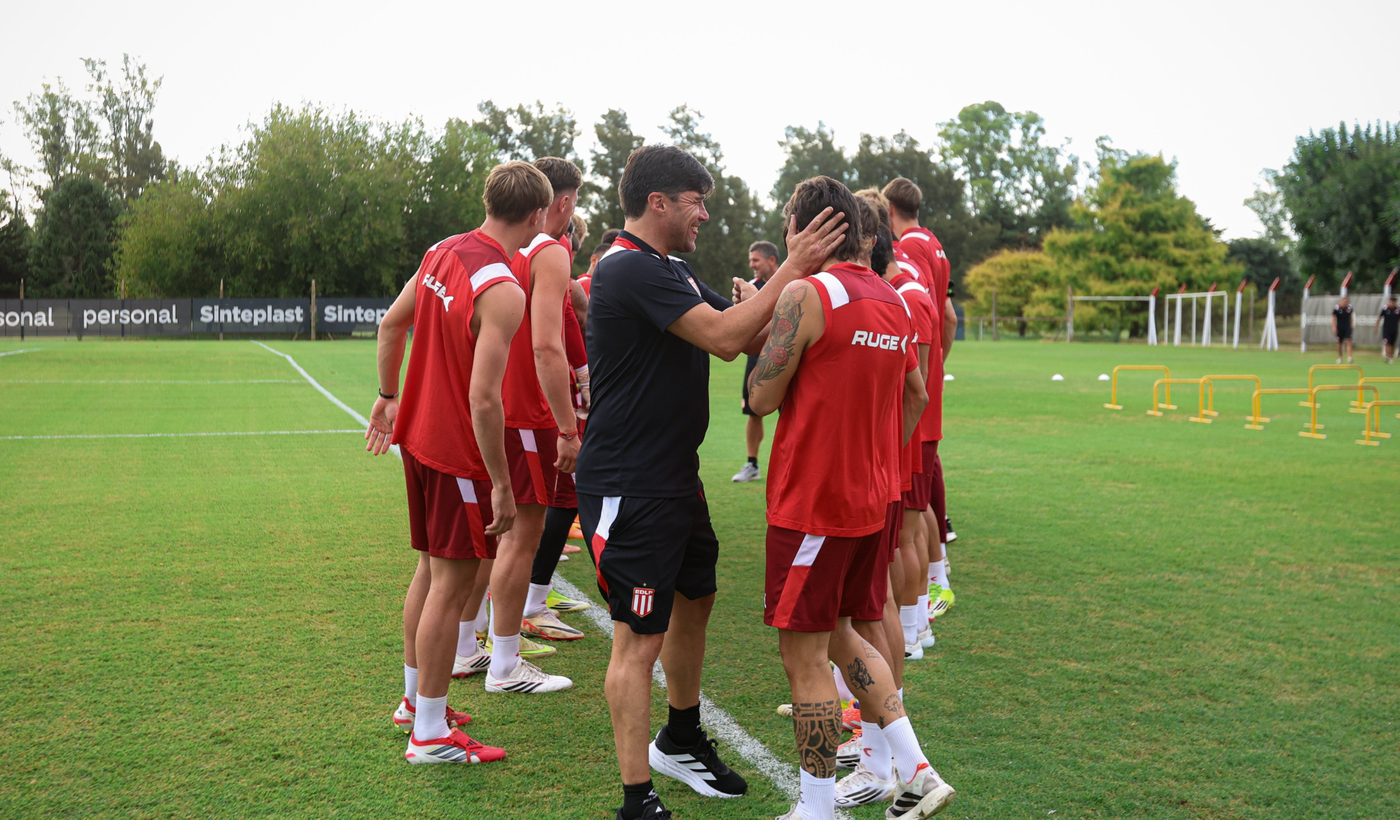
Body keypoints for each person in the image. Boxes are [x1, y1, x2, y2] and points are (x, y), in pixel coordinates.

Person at [576, 144, 848, 820]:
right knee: (637, 640)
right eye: (697, 201)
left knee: (697, 595)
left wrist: (784, 297)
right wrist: (792, 267)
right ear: (659, 203)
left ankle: (683, 732)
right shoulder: (627, 268)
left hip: (674, 477)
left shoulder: (669, 267)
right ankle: (637, 799)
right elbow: (727, 340)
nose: (704, 214)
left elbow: (752, 337)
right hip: (628, 484)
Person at [748, 176, 953, 820]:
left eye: (788, 222)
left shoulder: (806, 294)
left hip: (812, 503)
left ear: (808, 229)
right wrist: (875, 453)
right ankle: (916, 770)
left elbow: (760, 397)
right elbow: (915, 394)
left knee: (804, 656)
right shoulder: (893, 300)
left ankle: (816, 808)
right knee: (844, 636)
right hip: (870, 500)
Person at [366, 160, 550, 763]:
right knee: (450, 584)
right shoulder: (504, 288)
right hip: (454, 452)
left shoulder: (441, 250)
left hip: (417, 438)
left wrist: (390, 396)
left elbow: (390, 327)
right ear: (536, 216)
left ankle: (416, 703)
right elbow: (484, 397)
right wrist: (500, 481)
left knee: (430, 573)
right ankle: (430, 734)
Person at [490, 157, 590, 665]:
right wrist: (568, 427)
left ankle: (475, 643)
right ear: (565, 202)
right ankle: (505, 656)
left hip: (494, 403)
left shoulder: (497, 249)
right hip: (528, 412)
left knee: (492, 538)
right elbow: (546, 347)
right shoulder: (548, 251)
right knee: (521, 537)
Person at [883, 178, 957, 626]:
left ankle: (913, 622)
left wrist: (926, 368)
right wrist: (935, 365)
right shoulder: (932, 241)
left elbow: (934, 316)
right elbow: (945, 314)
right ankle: (937, 578)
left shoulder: (909, 252)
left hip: (913, 400)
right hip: (925, 389)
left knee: (905, 523)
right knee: (922, 497)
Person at [733, 240, 780, 483]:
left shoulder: (793, 284)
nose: (751, 264)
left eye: (756, 260)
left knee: (792, 413)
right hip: (756, 359)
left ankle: (789, 464)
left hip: (786, 357)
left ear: (771, 260)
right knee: (753, 412)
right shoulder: (750, 288)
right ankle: (752, 464)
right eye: (751, 260)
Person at [1333, 294, 1354, 364]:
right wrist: (1334, 327)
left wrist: (1351, 326)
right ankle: (1340, 357)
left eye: (1347, 300)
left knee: (1348, 340)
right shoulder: (1337, 308)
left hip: (1347, 327)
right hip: (1340, 327)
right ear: (1341, 301)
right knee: (1339, 343)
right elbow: (1333, 318)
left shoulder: (1349, 308)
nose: (1345, 302)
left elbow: (1351, 317)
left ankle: (1349, 357)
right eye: (1344, 300)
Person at [1379, 295, 1400, 363]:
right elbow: (1379, 317)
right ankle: (1387, 356)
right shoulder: (1385, 309)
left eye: (1393, 302)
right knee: (1386, 342)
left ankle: (1391, 356)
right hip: (1386, 329)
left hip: (1394, 329)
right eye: (1391, 302)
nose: (1392, 303)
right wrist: (1376, 327)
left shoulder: (1397, 310)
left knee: (1392, 344)